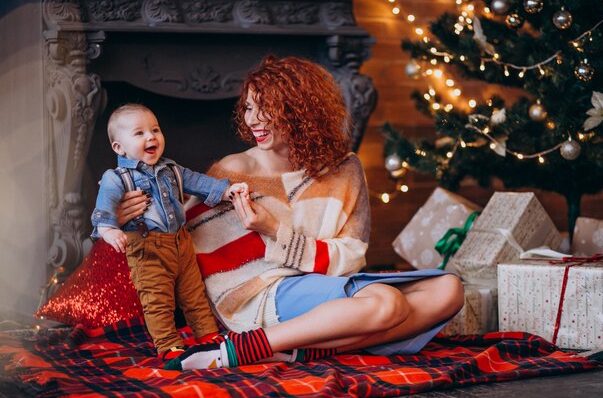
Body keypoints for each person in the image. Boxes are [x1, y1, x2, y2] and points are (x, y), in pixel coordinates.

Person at [116, 56, 464, 371]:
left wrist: (274, 231)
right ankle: (241, 349)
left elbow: (352, 256)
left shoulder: (345, 169)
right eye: (249, 108)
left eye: (266, 108)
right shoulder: (232, 170)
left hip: (324, 285)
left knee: (449, 289)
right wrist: (128, 219)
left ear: (300, 110)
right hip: (259, 295)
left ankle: (308, 348)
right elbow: (189, 247)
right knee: (388, 304)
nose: (253, 120)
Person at [92, 103, 248, 360]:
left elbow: (198, 181)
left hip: (181, 242)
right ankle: (168, 344)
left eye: (155, 129)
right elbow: (105, 205)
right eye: (139, 133)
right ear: (119, 148)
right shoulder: (116, 177)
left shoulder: (172, 169)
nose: (151, 137)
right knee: (157, 299)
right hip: (147, 249)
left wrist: (226, 191)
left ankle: (207, 334)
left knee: (194, 294)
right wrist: (109, 230)